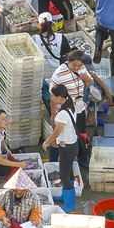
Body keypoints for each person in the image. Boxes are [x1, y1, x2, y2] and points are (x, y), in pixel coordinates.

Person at [42, 84, 79, 213]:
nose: (51, 99)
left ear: (59, 97)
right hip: (73, 145)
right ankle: (65, 196)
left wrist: (46, 142)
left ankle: (70, 205)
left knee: (64, 176)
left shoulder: (62, 114)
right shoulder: (70, 105)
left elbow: (56, 132)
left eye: (53, 96)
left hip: (67, 147)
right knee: (69, 173)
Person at [33, 12, 71, 78]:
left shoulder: (34, 39)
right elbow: (69, 56)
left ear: (39, 25)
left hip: (40, 74)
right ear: (52, 24)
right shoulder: (61, 38)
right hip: (57, 73)